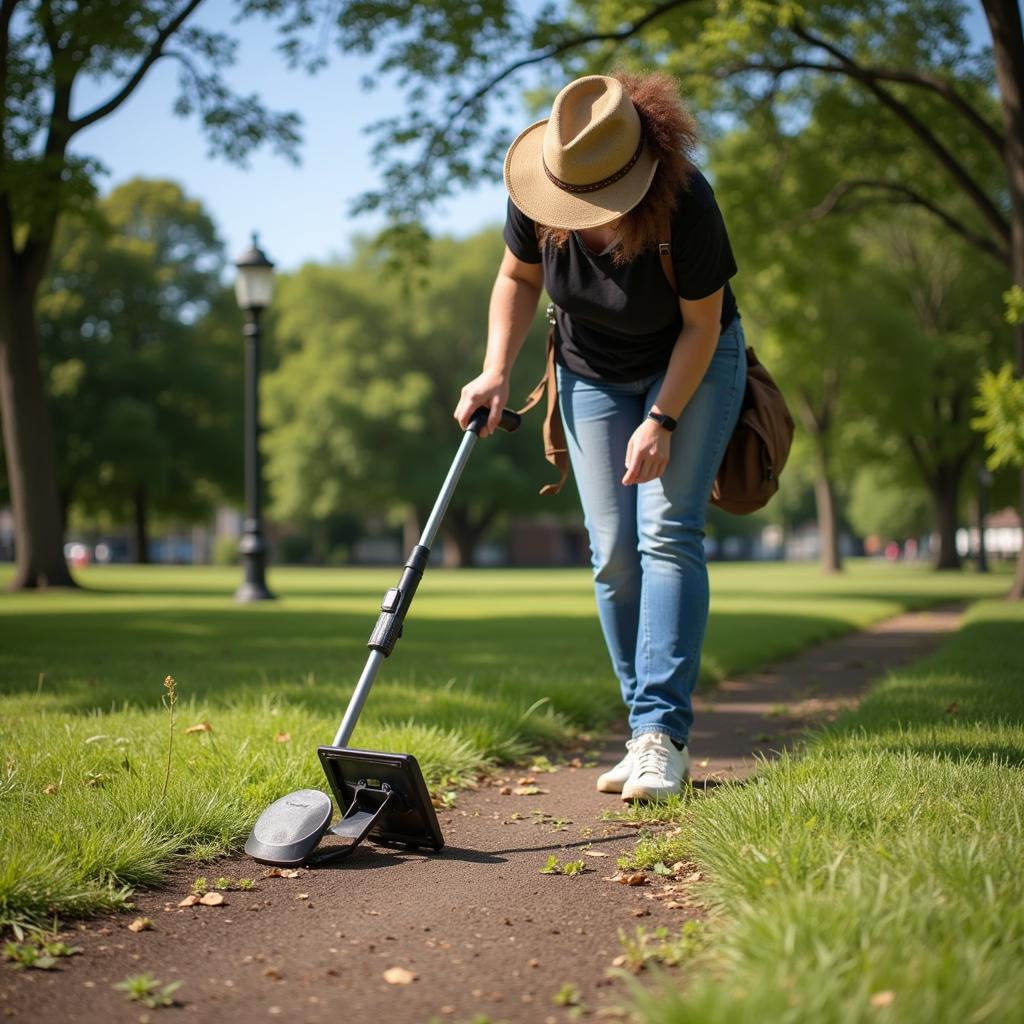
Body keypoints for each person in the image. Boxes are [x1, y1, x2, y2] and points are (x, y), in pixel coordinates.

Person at [454, 72, 746, 800]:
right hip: (589, 371)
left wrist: (662, 419)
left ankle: (659, 735)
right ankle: (644, 726)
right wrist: (494, 371)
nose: (576, 216)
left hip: (691, 365)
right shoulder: (539, 193)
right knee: (612, 551)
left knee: (668, 530)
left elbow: (702, 325)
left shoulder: (687, 207)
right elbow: (517, 279)